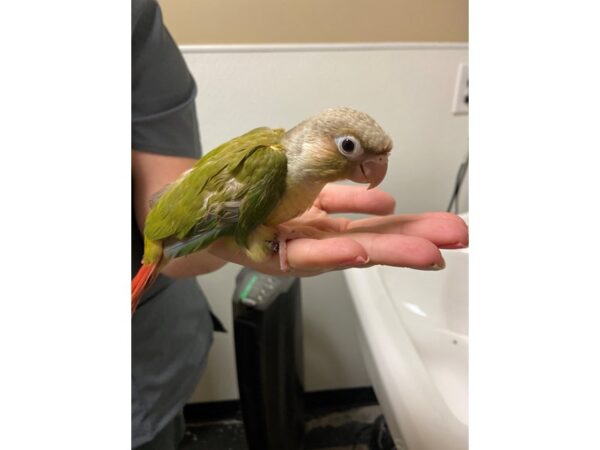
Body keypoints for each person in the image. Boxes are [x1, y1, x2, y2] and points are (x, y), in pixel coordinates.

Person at [131, 0, 468, 448]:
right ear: (312, 140)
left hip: (159, 371)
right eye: (349, 148)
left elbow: (163, 183)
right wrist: (268, 245)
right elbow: (179, 225)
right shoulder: (269, 164)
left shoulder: (136, 22)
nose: (367, 167)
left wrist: (277, 231)